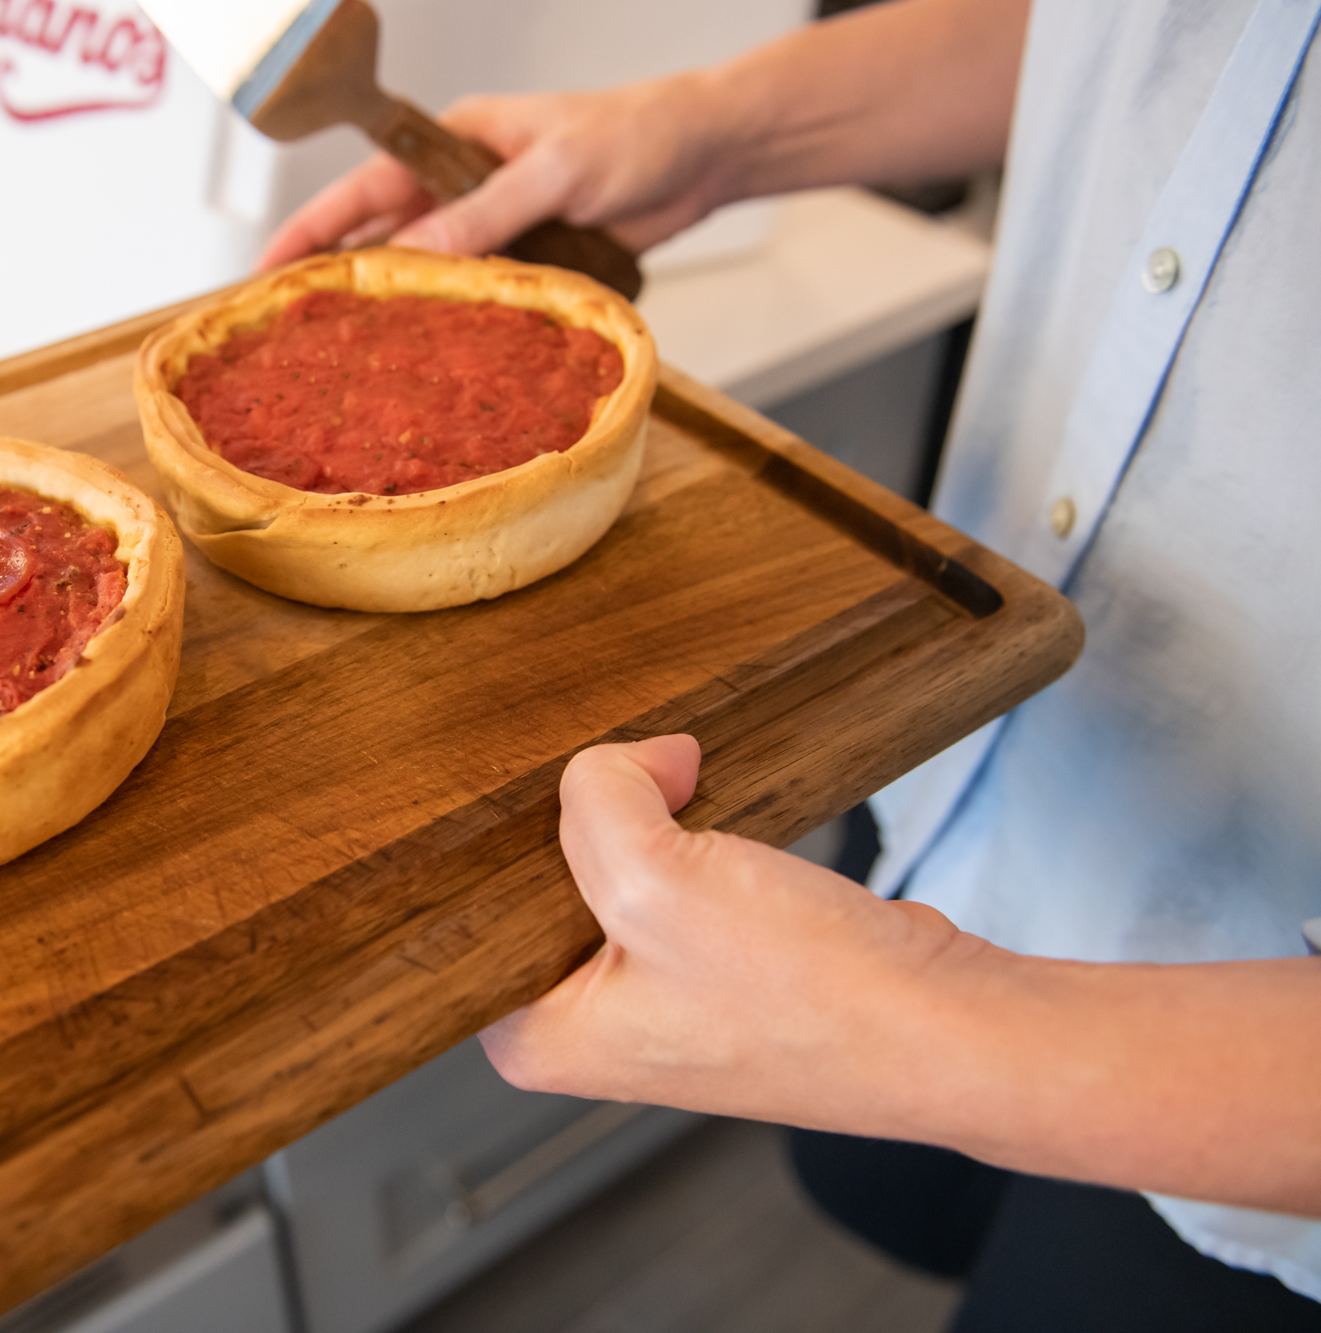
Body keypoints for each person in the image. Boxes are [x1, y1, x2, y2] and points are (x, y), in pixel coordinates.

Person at [265, 0, 1321, 1325]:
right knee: (879, 1188)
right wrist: (709, 131)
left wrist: (941, 1032)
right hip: (998, 776)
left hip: (1268, 1086)